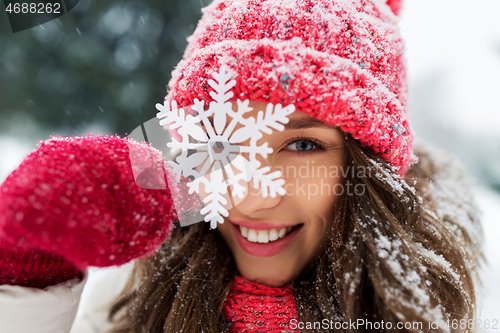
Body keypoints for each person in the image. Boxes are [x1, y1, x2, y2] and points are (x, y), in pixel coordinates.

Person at [0, 0, 483, 332]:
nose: (250, 196)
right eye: (223, 139)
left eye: (302, 146)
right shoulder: (129, 304)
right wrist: (30, 281)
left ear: (370, 170)